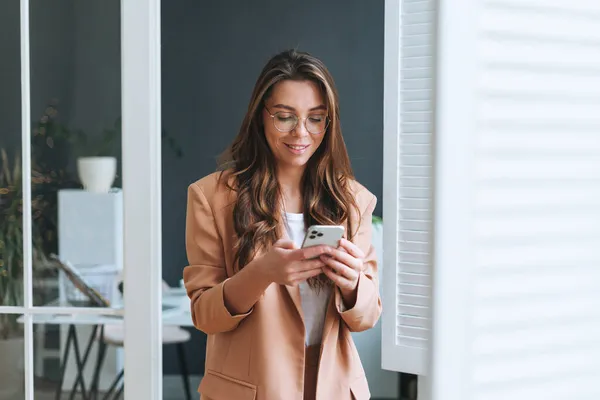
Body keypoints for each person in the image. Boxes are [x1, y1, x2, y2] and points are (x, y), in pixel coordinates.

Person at [183, 49, 381, 400]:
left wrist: (353, 285)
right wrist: (261, 273)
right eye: (285, 117)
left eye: (316, 118)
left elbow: (365, 318)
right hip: (254, 389)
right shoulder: (211, 198)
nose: (301, 132)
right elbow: (204, 315)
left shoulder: (353, 201)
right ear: (261, 116)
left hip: (332, 387)